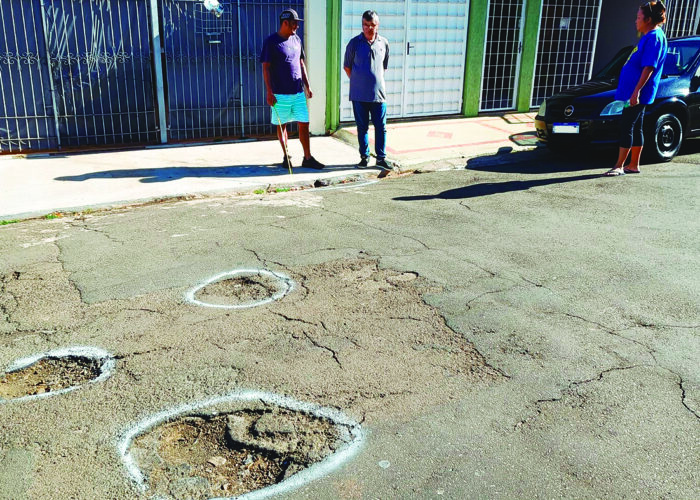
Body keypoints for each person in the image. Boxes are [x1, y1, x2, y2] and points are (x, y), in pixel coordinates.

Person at [605, 1, 667, 176]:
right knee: (636, 126)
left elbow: (649, 67)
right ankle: (633, 164)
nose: (636, 21)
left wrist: (636, 92)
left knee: (627, 125)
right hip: (633, 92)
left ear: (648, 20)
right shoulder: (650, 36)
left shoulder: (654, 37)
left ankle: (619, 165)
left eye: (639, 17)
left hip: (637, 93)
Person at [261, 8, 324, 170]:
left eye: (297, 23)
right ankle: (286, 156)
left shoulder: (296, 40)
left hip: (298, 93)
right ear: (285, 23)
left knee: (304, 123)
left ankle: (307, 158)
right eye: (294, 23)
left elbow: (301, 63)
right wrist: (269, 92)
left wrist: (308, 86)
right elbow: (265, 67)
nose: (297, 26)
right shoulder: (271, 42)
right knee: (282, 125)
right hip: (279, 94)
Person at [343, 10, 391, 177]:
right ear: (362, 25)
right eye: (366, 25)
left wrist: (373, 81)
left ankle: (381, 158)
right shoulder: (354, 43)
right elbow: (347, 67)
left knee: (381, 127)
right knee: (362, 127)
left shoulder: (384, 43)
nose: (369, 28)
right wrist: (359, 82)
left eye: (372, 25)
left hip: (379, 95)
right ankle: (364, 157)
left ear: (377, 25)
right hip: (359, 95)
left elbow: (383, 67)